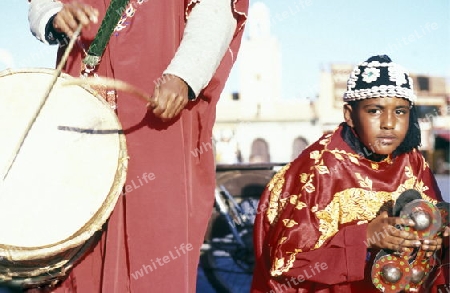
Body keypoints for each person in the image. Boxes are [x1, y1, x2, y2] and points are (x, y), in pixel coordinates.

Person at [26, 0, 248, 292]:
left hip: (155, 109)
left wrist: (184, 75)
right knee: (76, 243)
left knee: (153, 243)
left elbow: (214, 9)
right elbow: (41, 5)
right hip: (81, 110)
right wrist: (54, 17)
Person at [251, 55, 449, 292]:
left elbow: (435, 219)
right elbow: (285, 262)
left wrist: (436, 240)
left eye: (400, 111)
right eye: (375, 111)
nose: (389, 123)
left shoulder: (412, 160)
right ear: (349, 114)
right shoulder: (320, 168)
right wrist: (364, 237)